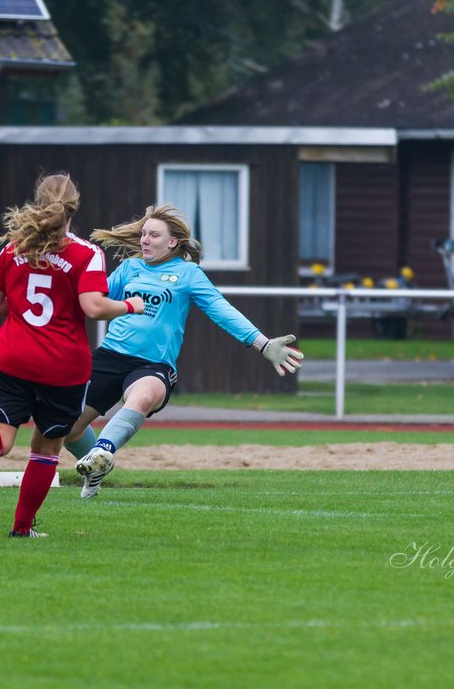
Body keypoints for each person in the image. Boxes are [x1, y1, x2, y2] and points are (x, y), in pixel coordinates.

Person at [0, 173, 143, 538]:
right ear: (74, 208)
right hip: (61, 368)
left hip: (11, 359)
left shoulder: (14, 247)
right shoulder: (87, 253)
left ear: (38, 202)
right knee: (45, 450)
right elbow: (94, 307)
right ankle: (22, 529)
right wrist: (130, 305)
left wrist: (20, 311)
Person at [67, 204, 304, 497]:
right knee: (67, 428)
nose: (145, 240)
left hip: (153, 365)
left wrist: (262, 343)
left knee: (142, 397)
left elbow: (221, 310)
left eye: (154, 235)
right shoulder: (129, 268)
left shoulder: (188, 273)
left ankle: (104, 449)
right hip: (109, 356)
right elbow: (94, 302)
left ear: (172, 242)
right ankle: (96, 467)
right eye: (143, 234)